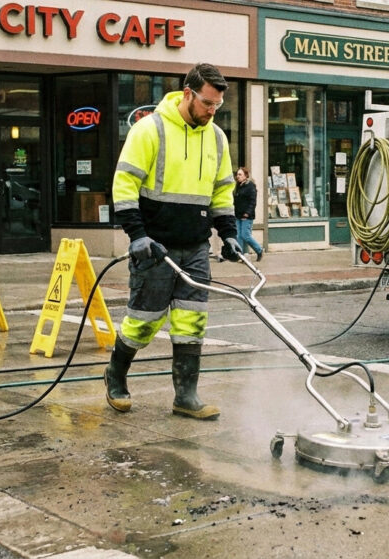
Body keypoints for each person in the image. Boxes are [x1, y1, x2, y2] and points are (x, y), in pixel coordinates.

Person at [106, 62, 241, 420]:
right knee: (143, 321)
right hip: (155, 247)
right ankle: (115, 375)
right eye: (207, 103)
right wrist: (136, 236)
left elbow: (222, 190)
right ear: (187, 94)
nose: (212, 111)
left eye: (218, 106)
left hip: (196, 247)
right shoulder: (150, 130)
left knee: (192, 321)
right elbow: (124, 186)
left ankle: (186, 396)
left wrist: (228, 234)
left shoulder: (217, 138)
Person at [233, 166, 263, 261]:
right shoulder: (238, 186)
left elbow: (252, 201)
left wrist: (247, 213)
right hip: (238, 214)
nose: (238, 176)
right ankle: (241, 255)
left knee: (245, 235)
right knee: (239, 236)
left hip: (246, 216)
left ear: (246, 175)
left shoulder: (250, 186)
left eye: (240, 174)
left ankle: (259, 250)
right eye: (237, 174)